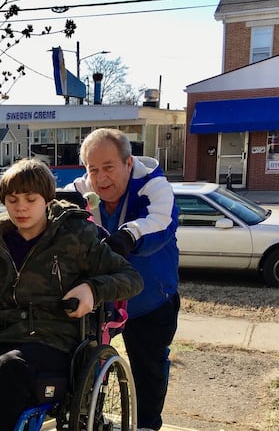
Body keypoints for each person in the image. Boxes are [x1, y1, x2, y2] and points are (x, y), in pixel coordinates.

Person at [0, 158, 143, 431]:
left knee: (9, 369)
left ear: (47, 200)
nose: (21, 207)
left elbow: (131, 279)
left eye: (30, 198)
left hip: (51, 339)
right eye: (13, 199)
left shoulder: (75, 237)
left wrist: (91, 289)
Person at [68, 128, 180, 431]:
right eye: (93, 169)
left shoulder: (153, 186)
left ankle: (146, 425)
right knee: (86, 364)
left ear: (128, 163)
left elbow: (160, 222)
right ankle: (91, 418)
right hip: (102, 299)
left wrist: (128, 236)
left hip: (150, 299)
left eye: (109, 167)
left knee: (149, 368)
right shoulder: (79, 191)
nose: (101, 177)